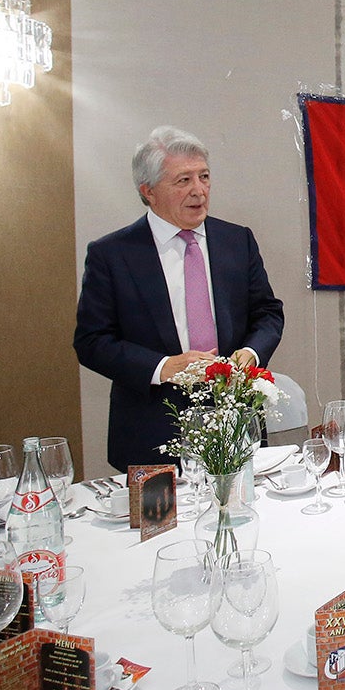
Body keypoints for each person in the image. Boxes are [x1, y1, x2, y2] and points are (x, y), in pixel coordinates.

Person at [75, 126, 285, 473]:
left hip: (234, 423)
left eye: (204, 177)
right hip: (151, 430)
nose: (199, 191)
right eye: (183, 180)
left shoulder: (237, 240)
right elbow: (91, 342)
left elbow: (268, 313)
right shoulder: (112, 254)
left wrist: (250, 353)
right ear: (148, 191)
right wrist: (163, 367)